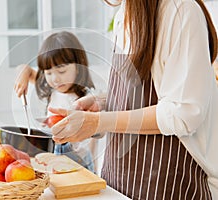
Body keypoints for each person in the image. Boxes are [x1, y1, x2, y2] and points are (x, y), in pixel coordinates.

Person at [47, 0, 218, 199]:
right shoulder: (124, 14)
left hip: (167, 183)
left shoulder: (179, 11)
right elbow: (142, 92)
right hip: (117, 179)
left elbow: (182, 113)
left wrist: (97, 122)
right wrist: (104, 102)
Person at [14, 31, 95, 172]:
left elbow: (94, 137)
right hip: (54, 159)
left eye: (62, 71)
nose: (55, 79)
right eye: (48, 73)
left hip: (79, 163)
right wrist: (23, 73)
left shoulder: (86, 98)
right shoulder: (52, 89)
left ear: (78, 66)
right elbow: (23, 68)